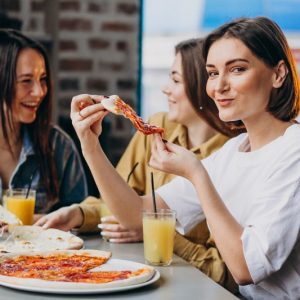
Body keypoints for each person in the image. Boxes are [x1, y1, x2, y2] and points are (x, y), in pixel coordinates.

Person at [69, 16, 300, 299]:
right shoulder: (236, 149)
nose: (219, 86)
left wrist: (196, 174)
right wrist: (90, 146)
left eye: (237, 69)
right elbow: (135, 216)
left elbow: (245, 268)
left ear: (278, 74)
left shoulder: (294, 151)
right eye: (213, 73)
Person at [36, 38, 238, 291]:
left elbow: (226, 272)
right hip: (134, 267)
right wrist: (78, 214)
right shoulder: (156, 128)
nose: (165, 89)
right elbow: (123, 204)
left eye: (176, 80)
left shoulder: (230, 158)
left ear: (201, 87)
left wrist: (156, 232)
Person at [0, 29, 88, 218]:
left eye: (43, 80)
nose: (39, 92)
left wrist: (41, 221)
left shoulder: (59, 146)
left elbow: (82, 219)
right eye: (26, 81)